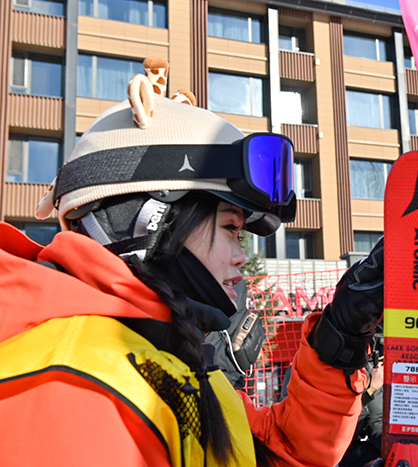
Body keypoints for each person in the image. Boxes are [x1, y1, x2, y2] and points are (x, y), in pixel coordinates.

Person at [0, 57, 384, 467]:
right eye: (230, 228)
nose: (242, 256)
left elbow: (278, 451)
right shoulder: (75, 385)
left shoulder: (170, 360)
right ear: (151, 220)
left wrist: (339, 337)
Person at [338, 330, 385, 467]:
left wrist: (391, 447)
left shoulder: (367, 369)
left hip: (348, 446)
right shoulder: (313, 370)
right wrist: (369, 390)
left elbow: (375, 420)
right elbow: (333, 422)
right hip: (316, 448)